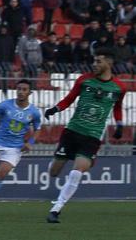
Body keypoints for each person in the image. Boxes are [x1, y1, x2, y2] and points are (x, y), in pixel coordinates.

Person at [43, 49, 126, 223]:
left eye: (98, 61)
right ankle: (57, 161)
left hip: (92, 136)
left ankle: (56, 209)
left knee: (77, 171)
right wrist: (55, 109)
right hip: (72, 132)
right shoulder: (84, 79)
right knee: (54, 172)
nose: (94, 64)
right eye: (94, 61)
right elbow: (69, 99)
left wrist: (119, 124)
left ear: (109, 63)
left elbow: (117, 107)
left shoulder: (119, 87)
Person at [0, 79, 41, 209]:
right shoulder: (5, 105)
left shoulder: (34, 112)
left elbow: (38, 129)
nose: (21, 92)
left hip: (15, 148)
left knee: (2, 174)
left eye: (24, 90)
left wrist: (30, 143)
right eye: (19, 89)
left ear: (30, 92)